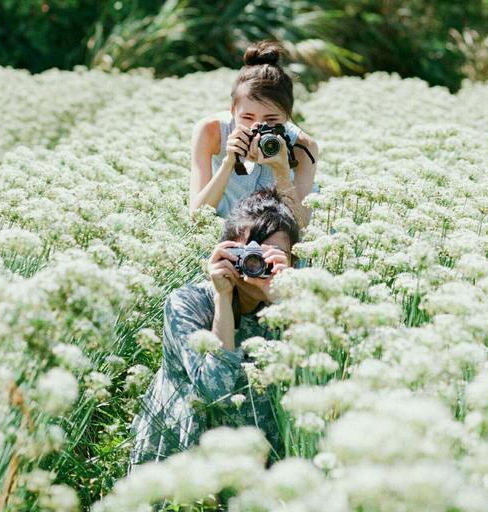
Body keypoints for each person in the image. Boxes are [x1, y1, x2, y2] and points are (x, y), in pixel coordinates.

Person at [129, 188, 300, 471]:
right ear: (227, 254)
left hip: (257, 456)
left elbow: (318, 381)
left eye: (274, 256)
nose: (258, 265)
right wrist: (222, 295)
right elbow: (214, 390)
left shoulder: (298, 311)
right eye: (250, 254)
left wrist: (282, 297)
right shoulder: (187, 303)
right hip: (184, 454)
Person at [189, 40, 319, 228]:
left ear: (287, 116)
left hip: (275, 243)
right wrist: (228, 163)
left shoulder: (303, 146)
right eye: (247, 117)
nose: (257, 127)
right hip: (220, 239)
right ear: (233, 109)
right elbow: (197, 218)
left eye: (271, 120)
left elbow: (301, 226)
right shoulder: (210, 131)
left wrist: (281, 170)